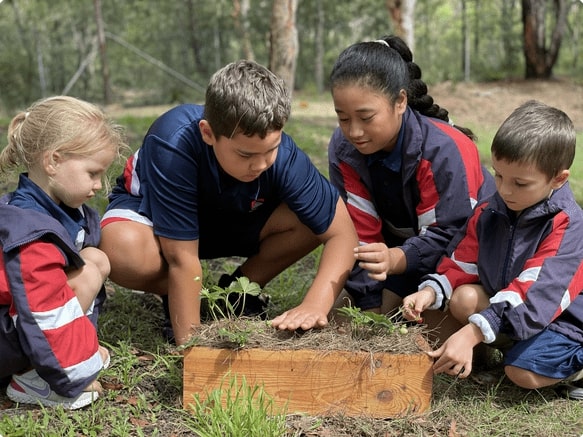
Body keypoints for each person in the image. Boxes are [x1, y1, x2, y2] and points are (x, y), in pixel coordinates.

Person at [99, 60, 359, 346]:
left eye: (270, 150)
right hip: (157, 224)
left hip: (229, 219)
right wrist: (193, 346)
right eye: (245, 155)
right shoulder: (173, 141)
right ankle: (176, 293)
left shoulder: (284, 155)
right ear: (208, 133)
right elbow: (181, 258)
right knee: (121, 248)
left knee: (311, 220)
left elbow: (342, 232)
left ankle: (238, 292)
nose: (260, 164)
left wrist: (316, 305)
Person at [402, 100, 583, 397]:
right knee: (462, 299)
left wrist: (473, 333)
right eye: (498, 175)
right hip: (514, 312)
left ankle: (574, 364)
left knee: (521, 372)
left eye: (520, 183)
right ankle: (508, 350)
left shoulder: (568, 226)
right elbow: (463, 261)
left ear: (558, 179)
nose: (504, 190)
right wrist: (430, 292)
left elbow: (533, 297)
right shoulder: (490, 209)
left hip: (563, 323)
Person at [327, 35, 495, 320]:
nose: (354, 131)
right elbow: (358, 234)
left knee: (430, 332)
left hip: (465, 260)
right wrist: (369, 304)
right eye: (343, 118)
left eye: (366, 118)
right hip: (404, 258)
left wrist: (395, 260)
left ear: (401, 101)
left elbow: (450, 235)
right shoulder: (345, 150)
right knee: (344, 315)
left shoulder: (444, 150)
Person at [0, 96, 127, 409]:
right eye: (92, 173)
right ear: (53, 161)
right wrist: (70, 378)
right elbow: (43, 311)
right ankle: (35, 379)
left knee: (94, 261)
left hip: (15, 322)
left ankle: (64, 354)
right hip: (14, 331)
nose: (98, 185)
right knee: (85, 274)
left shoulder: (54, 210)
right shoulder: (30, 234)